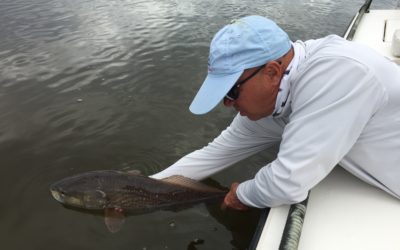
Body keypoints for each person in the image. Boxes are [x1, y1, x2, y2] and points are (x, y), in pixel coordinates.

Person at [151, 15, 400, 210]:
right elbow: (214, 154)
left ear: (271, 72)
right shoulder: (277, 96)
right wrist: (141, 188)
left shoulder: (337, 73)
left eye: (231, 92)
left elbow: (286, 183)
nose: (227, 104)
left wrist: (242, 195)